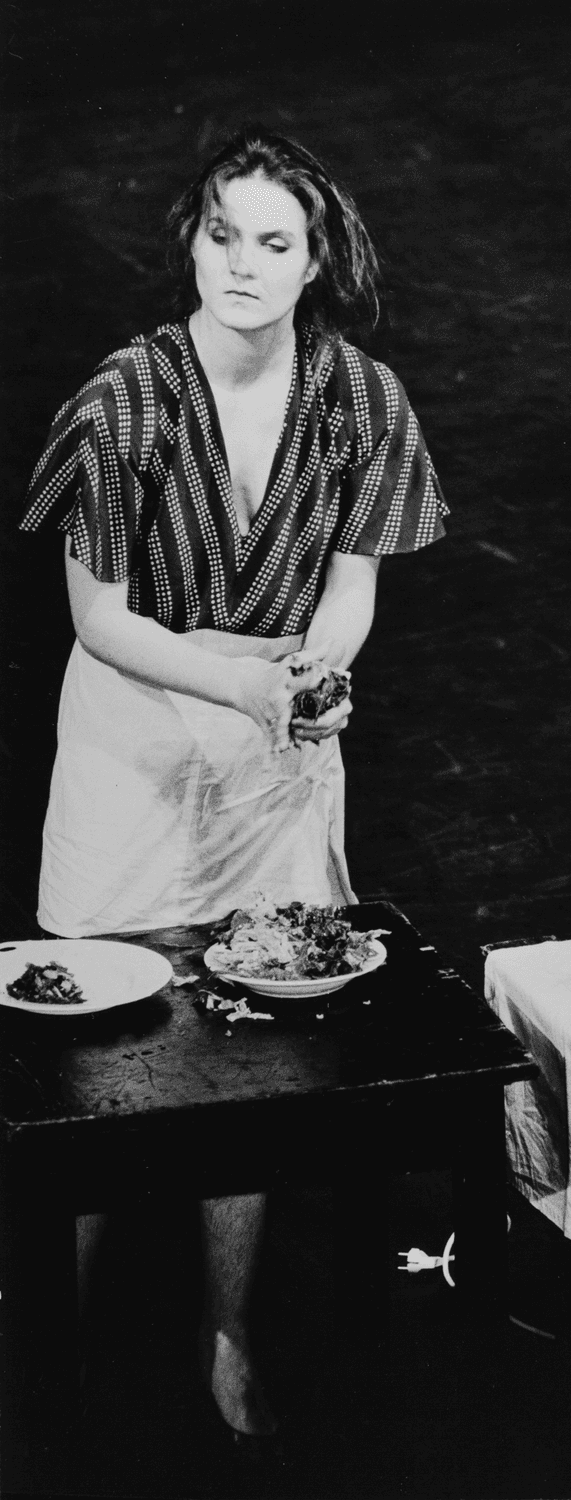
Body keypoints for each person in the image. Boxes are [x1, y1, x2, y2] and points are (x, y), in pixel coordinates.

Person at [19, 129, 447, 1441]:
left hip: (273, 736)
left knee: (253, 1034)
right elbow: (101, 619)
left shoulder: (363, 399)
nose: (242, 264)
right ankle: (53, 1339)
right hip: (136, 732)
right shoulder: (124, 399)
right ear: (188, 241)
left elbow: (356, 583)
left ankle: (226, 1335)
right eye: (222, 235)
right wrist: (249, 687)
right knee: (88, 1039)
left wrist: (315, 675)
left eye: (274, 241)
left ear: (319, 261)